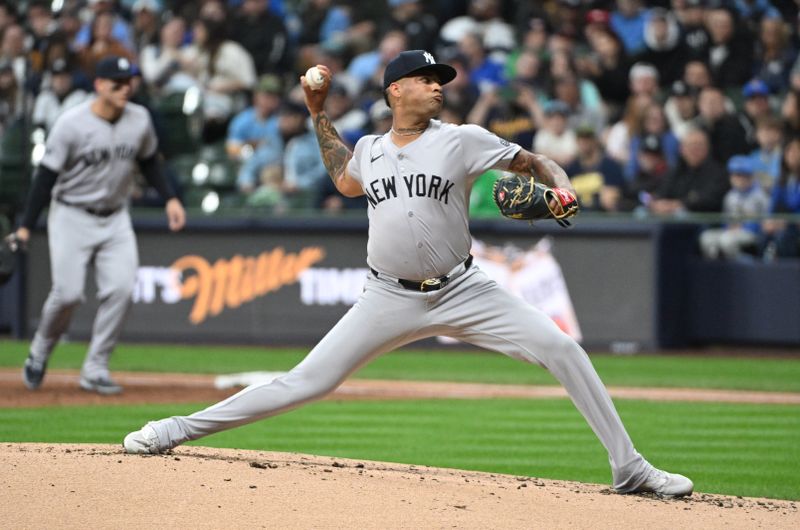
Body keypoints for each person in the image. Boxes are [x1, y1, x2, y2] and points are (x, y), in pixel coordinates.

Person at [122, 50, 693, 499]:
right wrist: (318, 113)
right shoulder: (370, 149)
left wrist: (560, 186)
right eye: (424, 77)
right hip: (386, 296)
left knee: (561, 348)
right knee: (305, 382)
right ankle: (175, 429)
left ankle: (630, 468)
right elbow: (345, 177)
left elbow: (535, 163)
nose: (437, 84)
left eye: (439, 77)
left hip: (465, 289)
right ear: (396, 90)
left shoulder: (464, 139)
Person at [11, 56, 186, 394]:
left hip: (116, 216)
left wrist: (170, 198)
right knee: (67, 294)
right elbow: (44, 178)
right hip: (71, 214)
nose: (125, 88)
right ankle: (39, 351)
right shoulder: (71, 124)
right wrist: (25, 226)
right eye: (117, 82)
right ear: (99, 86)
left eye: (129, 81)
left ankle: (95, 368)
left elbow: (149, 162)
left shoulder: (139, 118)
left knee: (121, 289)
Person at [699, 156, 771, 260]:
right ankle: (718, 266)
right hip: (732, 231)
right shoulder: (730, 196)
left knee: (727, 240)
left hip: (752, 232)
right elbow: (725, 219)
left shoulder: (760, 196)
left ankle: (744, 263)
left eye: (743, 175)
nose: (739, 179)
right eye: (736, 175)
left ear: (750, 177)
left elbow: (766, 220)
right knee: (706, 238)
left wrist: (746, 227)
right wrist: (729, 227)